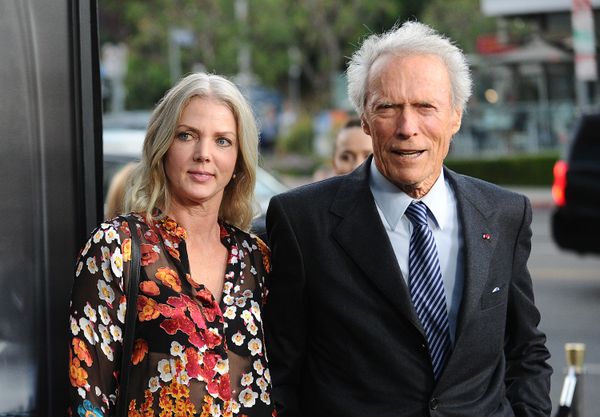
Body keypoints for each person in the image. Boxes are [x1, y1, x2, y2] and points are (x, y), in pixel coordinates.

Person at [264, 21, 552, 417]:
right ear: (364, 119)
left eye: (425, 107)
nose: (407, 128)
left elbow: (526, 349)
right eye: (388, 107)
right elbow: (281, 371)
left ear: (456, 116)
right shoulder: (302, 221)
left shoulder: (504, 213)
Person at [68, 73, 274, 416]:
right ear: (162, 146)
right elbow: (88, 399)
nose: (204, 154)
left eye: (223, 140)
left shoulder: (258, 260)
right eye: (186, 135)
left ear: (239, 160)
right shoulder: (118, 248)